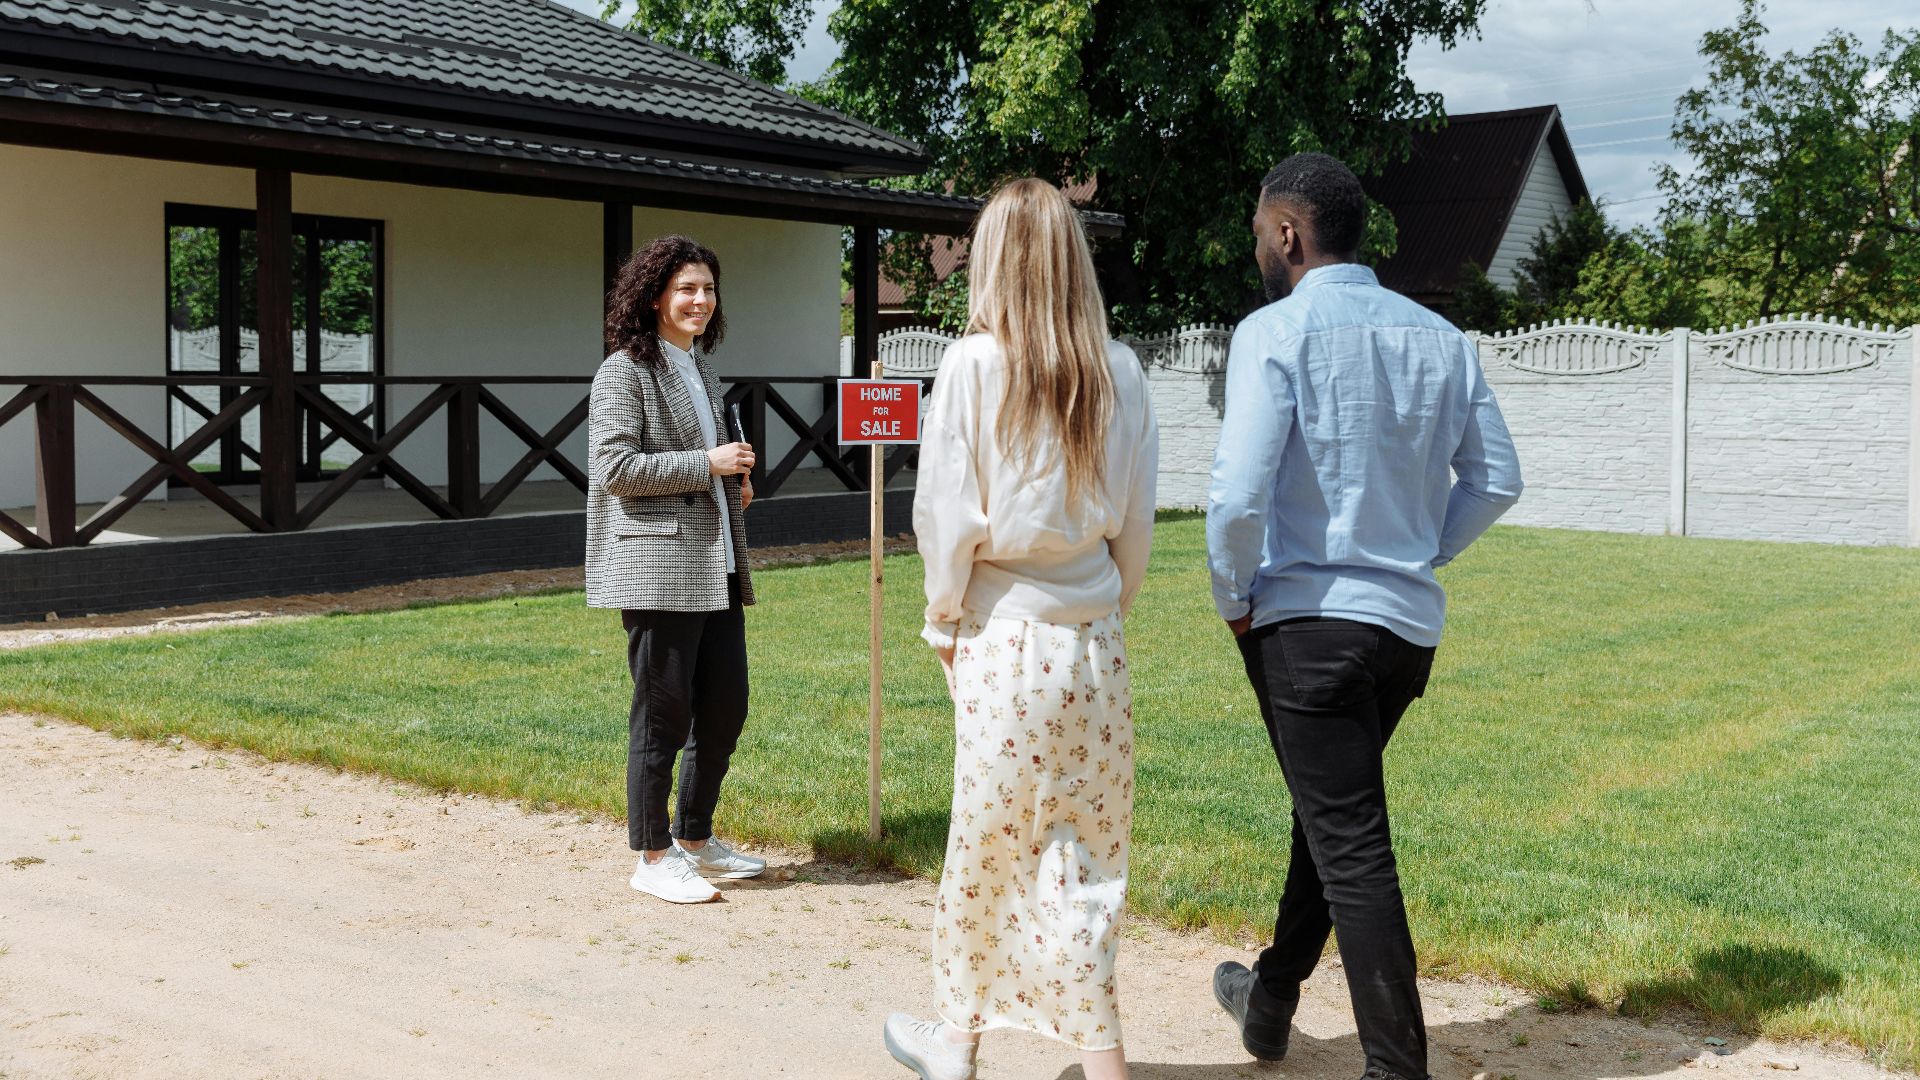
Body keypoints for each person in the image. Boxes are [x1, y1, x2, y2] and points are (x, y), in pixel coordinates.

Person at [1205, 153, 1523, 1080]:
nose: (1259, 247)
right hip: (1405, 634)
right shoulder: (1441, 336)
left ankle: (1396, 1068)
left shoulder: (1273, 330)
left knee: (1352, 847)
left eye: (1261, 232)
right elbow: (1498, 480)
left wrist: (1235, 602)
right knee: (1332, 816)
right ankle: (1268, 1002)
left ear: (1289, 233)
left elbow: (1234, 500)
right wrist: (1420, 553)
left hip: (1305, 626)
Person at [882, 178, 1158, 1080]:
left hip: (1005, 636)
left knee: (987, 845)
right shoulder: (1119, 368)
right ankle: (1100, 1059)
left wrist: (942, 619)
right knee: (1086, 853)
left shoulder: (973, 364)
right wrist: (1105, 605)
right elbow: (1137, 524)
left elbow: (946, 515)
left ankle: (957, 1039)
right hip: (1093, 639)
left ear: (994, 259)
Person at [586, 233, 767, 905]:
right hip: (657, 569)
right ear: (655, 295)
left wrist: (733, 484)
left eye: (708, 289)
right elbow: (614, 470)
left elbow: (704, 465)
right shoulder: (623, 372)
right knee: (662, 717)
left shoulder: (701, 369)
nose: (699, 299)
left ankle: (694, 838)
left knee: (724, 708)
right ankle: (652, 854)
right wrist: (708, 466)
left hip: (712, 564)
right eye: (686, 288)